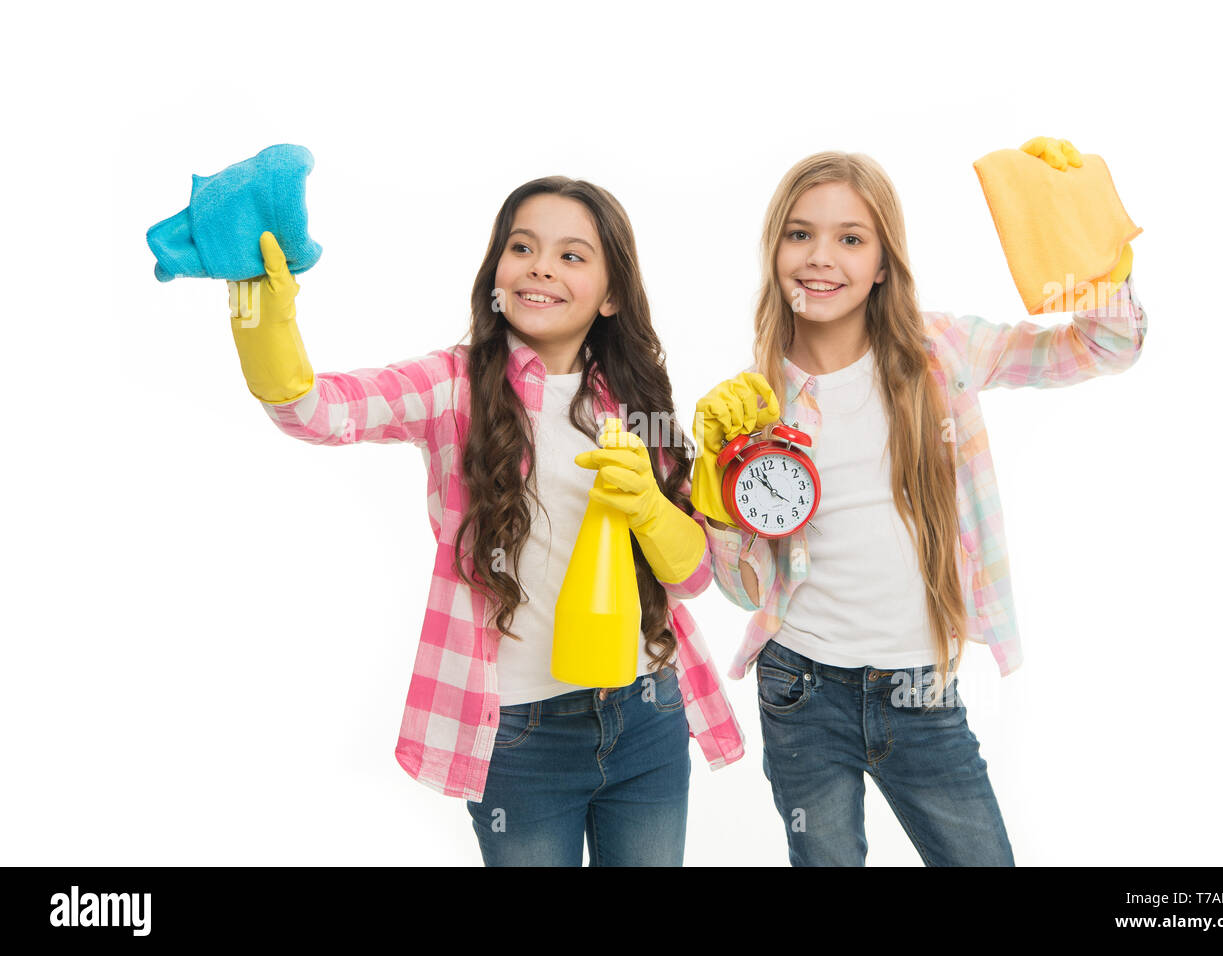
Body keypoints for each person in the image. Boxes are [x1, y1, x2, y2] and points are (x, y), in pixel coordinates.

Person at [226, 176, 744, 866]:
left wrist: (652, 507)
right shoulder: (453, 386)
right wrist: (267, 324)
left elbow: (694, 575)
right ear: (496, 269)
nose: (540, 267)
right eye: (522, 246)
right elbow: (317, 412)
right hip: (521, 738)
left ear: (613, 293)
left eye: (572, 255)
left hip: (647, 713)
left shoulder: (635, 398)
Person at [691, 141, 1147, 866]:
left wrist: (1087, 237)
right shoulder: (752, 402)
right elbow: (746, 590)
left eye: (850, 238)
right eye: (800, 234)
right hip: (797, 688)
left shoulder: (942, 352)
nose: (820, 257)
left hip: (920, 689)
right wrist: (713, 497)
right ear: (774, 249)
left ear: (882, 263)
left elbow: (1109, 345)